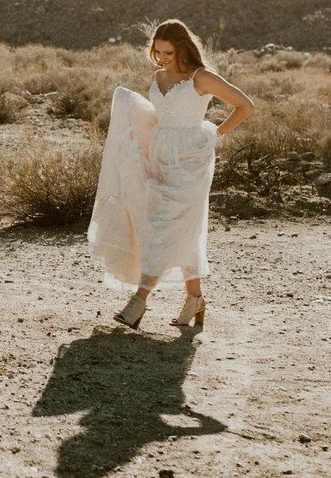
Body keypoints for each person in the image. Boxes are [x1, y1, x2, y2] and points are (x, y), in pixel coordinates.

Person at [87, 19, 254, 328]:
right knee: (181, 227)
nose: (162, 59)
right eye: (158, 52)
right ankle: (195, 300)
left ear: (183, 49)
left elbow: (245, 105)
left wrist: (214, 134)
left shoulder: (201, 78)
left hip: (192, 161)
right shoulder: (158, 76)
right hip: (160, 158)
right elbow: (160, 115)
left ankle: (138, 301)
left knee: (164, 225)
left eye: (169, 52)